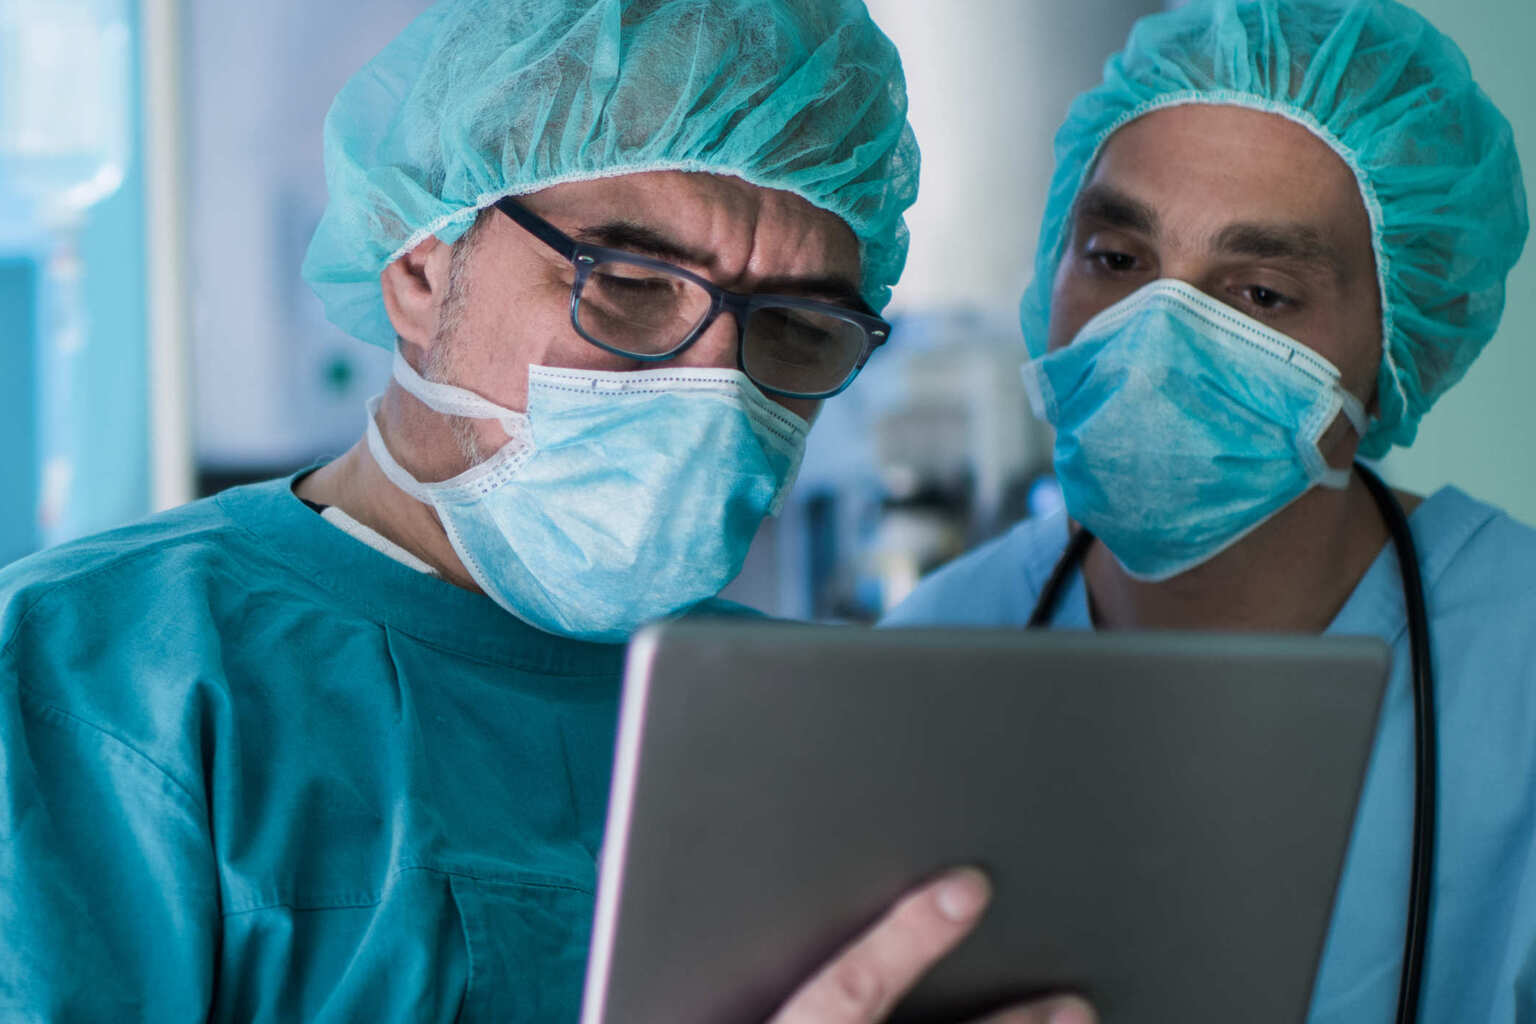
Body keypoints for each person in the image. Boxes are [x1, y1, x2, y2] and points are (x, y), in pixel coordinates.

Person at [0, 1, 1095, 1021]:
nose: (711, 382)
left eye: (794, 327)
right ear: (422, 268)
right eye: (627, 282)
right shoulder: (89, 684)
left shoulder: (824, 728)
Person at [886, 0, 1531, 1020]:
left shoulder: (1517, 663)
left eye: (1263, 293)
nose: (1156, 336)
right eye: (1118, 259)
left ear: (1395, 348)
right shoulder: (921, 667)